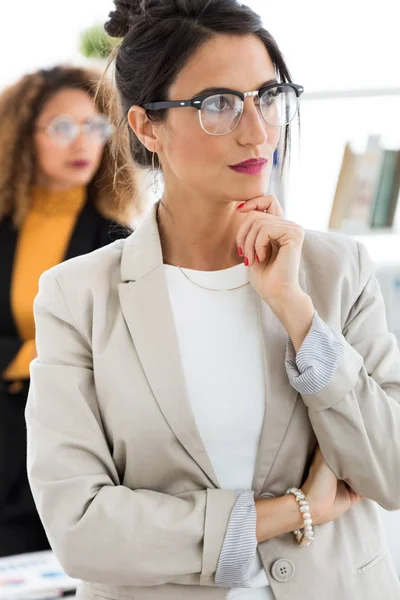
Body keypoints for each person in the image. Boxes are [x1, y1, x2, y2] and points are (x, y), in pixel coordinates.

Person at [25, 2, 400, 599]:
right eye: (218, 104)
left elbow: (391, 472)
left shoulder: (337, 271)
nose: (258, 131)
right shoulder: (78, 297)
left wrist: (296, 311)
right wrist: (293, 510)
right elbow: (82, 531)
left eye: (269, 96)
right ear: (147, 127)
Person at [0, 65, 134, 557]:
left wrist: (31, 358)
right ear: (20, 137)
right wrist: (49, 355)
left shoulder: (119, 240)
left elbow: (120, 351)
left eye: (96, 126)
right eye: (62, 127)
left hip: (83, 449)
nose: (83, 142)